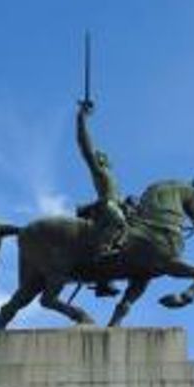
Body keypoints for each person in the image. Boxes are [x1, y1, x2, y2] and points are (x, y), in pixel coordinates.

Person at [76, 99, 127, 296]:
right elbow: (85, 146)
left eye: (104, 156)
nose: (103, 157)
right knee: (119, 222)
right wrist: (82, 117)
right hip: (106, 206)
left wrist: (127, 201)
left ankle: (106, 279)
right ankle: (102, 253)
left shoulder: (111, 175)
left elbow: (118, 197)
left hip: (115, 204)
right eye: (100, 156)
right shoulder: (98, 170)